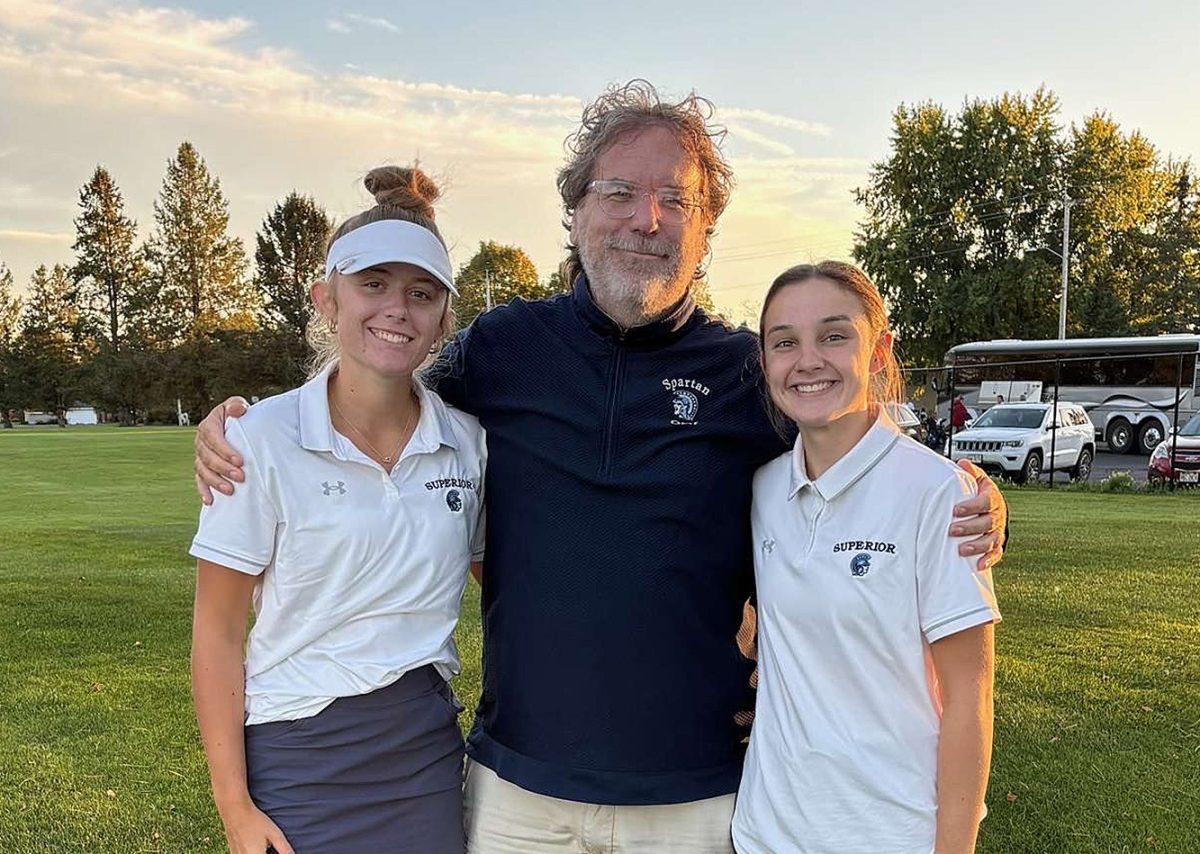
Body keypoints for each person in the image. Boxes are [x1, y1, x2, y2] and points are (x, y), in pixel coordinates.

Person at [194, 81, 1007, 854]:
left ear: (706, 227)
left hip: (694, 795)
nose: (645, 220)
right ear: (577, 212)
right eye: (618, 192)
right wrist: (244, 422)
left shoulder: (743, 370)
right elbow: (376, 384)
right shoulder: (502, 348)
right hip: (518, 786)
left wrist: (969, 489)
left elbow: (852, 438)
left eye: (675, 200)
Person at [189, 166, 484, 854]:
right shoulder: (257, 439)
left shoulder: (467, 445)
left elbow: (500, 579)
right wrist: (234, 808)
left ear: (444, 317)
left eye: (420, 293)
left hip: (423, 756)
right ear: (327, 299)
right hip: (298, 756)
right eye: (372, 285)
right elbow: (218, 633)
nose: (396, 310)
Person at [733, 261, 999, 853]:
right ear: (766, 362)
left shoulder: (938, 493)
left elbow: (969, 699)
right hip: (765, 833)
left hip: (888, 834)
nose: (807, 360)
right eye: (785, 343)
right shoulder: (761, 489)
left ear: (878, 352)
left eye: (833, 335)